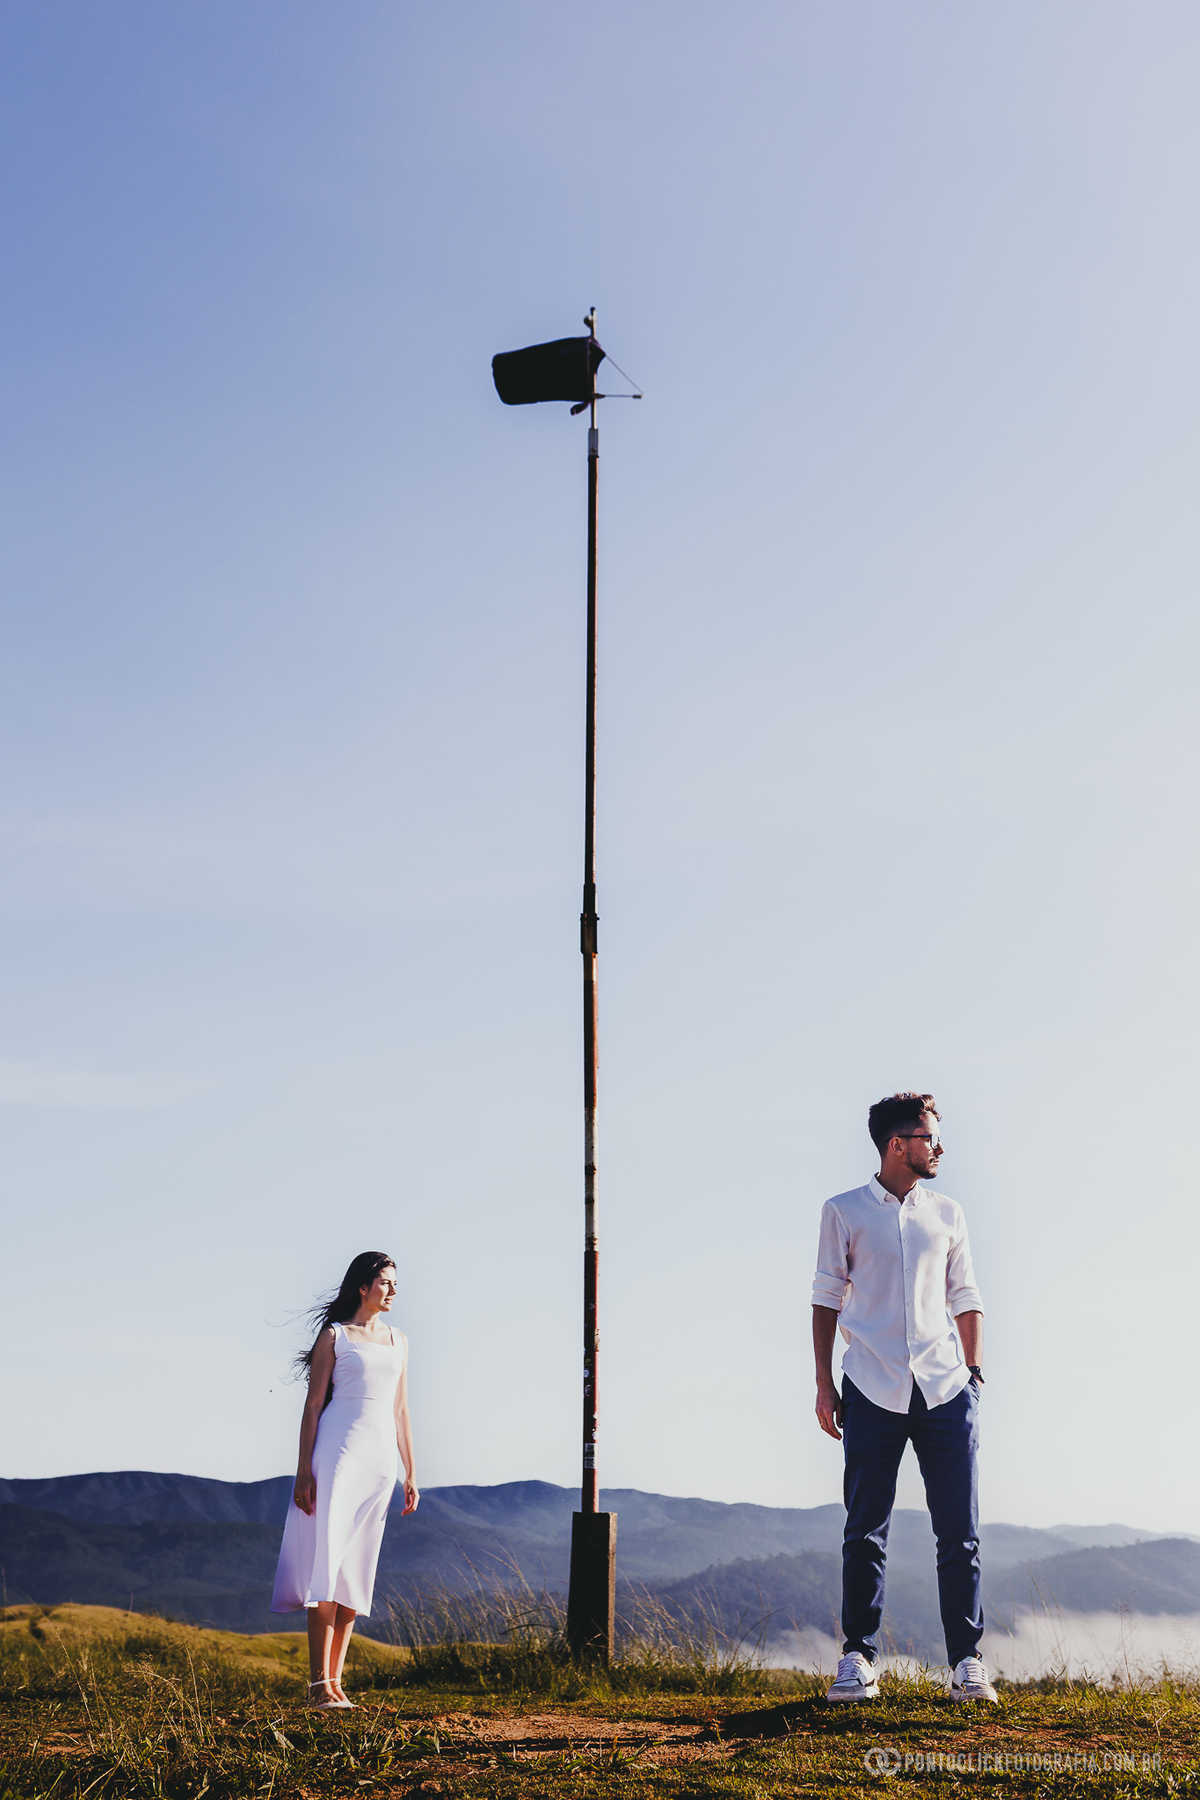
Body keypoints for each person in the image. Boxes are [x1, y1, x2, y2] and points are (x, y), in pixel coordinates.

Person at [811, 1093, 997, 1706]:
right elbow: (825, 1299)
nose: (938, 1147)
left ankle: (967, 1661)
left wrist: (972, 1374)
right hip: (870, 1385)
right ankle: (858, 1659)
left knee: (959, 1534)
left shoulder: (948, 1212)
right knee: (864, 1530)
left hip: (946, 1390)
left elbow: (966, 1293)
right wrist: (824, 1384)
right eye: (928, 1137)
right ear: (897, 1144)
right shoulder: (843, 1212)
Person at [271, 1251, 419, 1708]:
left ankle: (337, 1682)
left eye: (395, 1284)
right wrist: (303, 1469)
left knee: (357, 1571)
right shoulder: (335, 1336)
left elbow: (400, 1410)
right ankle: (318, 1685)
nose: (393, 1291)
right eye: (386, 1283)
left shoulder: (399, 1340)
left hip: (379, 1463)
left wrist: (411, 1471)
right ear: (363, 1286)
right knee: (328, 1564)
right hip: (337, 1454)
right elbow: (313, 1405)